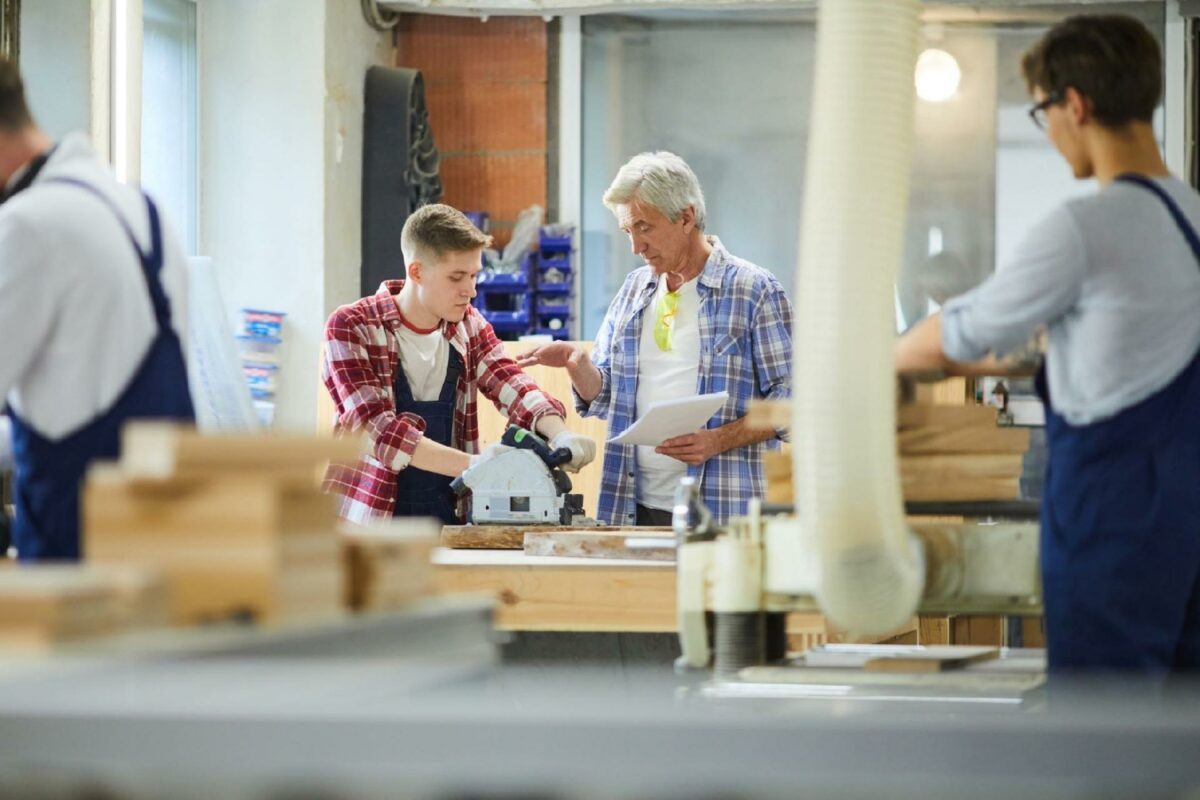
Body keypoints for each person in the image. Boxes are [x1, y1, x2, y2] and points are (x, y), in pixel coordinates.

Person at [896, 15, 1200, 676]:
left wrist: (878, 359)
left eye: (1043, 111)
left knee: (1103, 743)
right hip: (1187, 520)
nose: (1052, 131)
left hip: (1115, 523)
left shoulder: (1088, 228)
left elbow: (960, 332)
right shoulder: (1193, 214)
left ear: (1075, 104)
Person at [518, 152, 792, 526]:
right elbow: (607, 396)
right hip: (630, 506)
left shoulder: (753, 290)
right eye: (627, 232)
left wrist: (718, 439)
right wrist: (578, 365)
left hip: (724, 512)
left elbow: (791, 400)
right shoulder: (634, 290)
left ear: (686, 217)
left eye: (644, 227)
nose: (636, 246)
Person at [0, 58, 195, 561]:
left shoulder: (28, 226)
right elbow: (76, 390)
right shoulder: (143, 211)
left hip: (81, 557)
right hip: (168, 542)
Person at [322, 203, 596, 525]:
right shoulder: (352, 327)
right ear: (417, 271)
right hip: (368, 521)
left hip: (446, 516)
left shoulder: (469, 326)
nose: (471, 290)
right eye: (457, 277)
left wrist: (559, 433)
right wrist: (476, 464)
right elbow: (379, 432)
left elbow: (511, 382)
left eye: (474, 275)